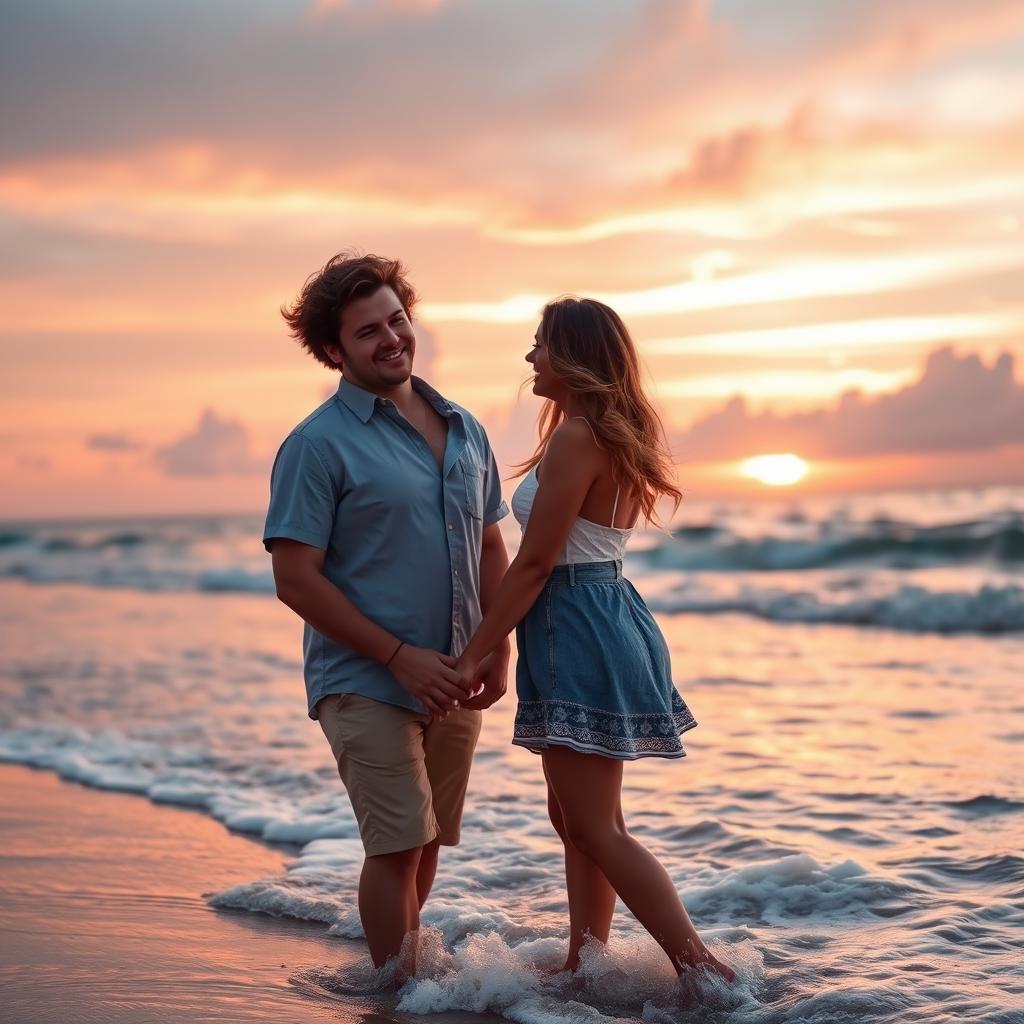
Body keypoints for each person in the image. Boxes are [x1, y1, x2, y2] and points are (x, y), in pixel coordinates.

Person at [455, 296, 734, 983]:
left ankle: (704, 972)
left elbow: (535, 563)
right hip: (601, 611)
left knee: (596, 826)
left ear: (574, 355)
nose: (531, 356)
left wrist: (474, 651)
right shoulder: (599, 434)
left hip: (573, 619)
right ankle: (587, 960)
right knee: (579, 820)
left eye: (541, 344)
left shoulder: (578, 438)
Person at [263, 252, 510, 971]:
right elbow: (295, 580)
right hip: (364, 679)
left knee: (427, 842)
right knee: (397, 844)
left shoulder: (464, 427)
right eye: (368, 331)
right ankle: (396, 994)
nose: (392, 338)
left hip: (454, 676)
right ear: (334, 351)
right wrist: (398, 657)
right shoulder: (315, 445)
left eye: (397, 320)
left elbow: (489, 543)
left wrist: (498, 647)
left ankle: (409, 981)